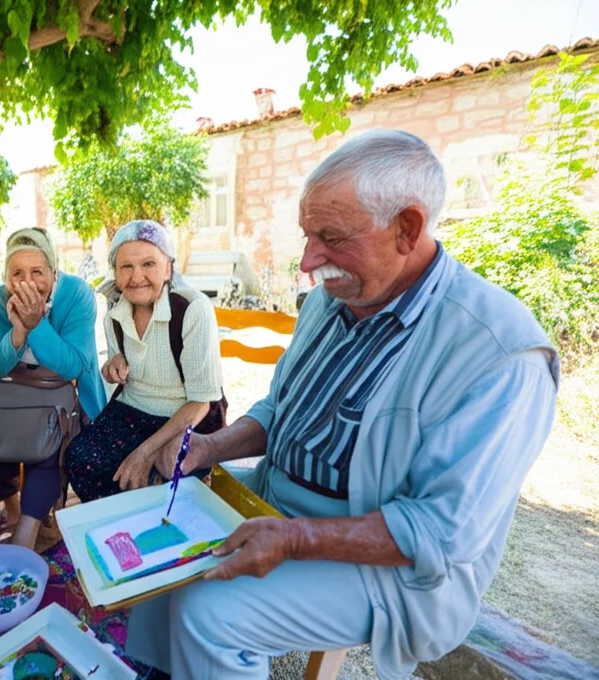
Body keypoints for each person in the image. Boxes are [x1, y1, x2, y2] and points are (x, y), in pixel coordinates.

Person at [124, 130, 560, 680]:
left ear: (408, 228)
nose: (309, 261)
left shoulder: (500, 351)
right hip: (275, 504)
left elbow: (439, 534)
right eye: (307, 236)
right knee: (157, 560)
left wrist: (297, 539)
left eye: (330, 237)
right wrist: (211, 446)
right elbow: (281, 409)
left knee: (211, 608)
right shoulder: (334, 299)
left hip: (390, 565)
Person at [65, 220, 227, 504]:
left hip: (188, 414)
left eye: (148, 264)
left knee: (162, 474)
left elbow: (201, 401)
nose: (136, 276)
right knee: (81, 458)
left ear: (168, 268)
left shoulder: (192, 310)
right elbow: (120, 367)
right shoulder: (114, 315)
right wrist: (112, 365)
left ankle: (156, 538)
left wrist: (145, 452)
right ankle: (117, 531)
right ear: (115, 273)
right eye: (126, 266)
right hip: (133, 409)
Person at [0, 228, 106, 549]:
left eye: (37, 272)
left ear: (53, 271)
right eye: (16, 273)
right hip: (11, 396)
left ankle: (25, 538)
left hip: (63, 393)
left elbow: (74, 364)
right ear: (5, 277)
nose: (27, 281)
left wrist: (36, 324)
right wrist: (18, 332)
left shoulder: (76, 294)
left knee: (47, 448)